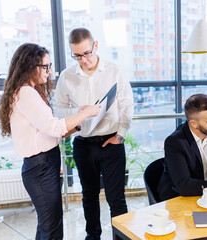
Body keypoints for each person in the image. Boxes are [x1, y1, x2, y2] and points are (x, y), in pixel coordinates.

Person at [0, 43, 101, 240]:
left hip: (41, 165)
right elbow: (54, 127)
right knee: (52, 230)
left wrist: (77, 123)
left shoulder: (26, 91)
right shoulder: (26, 93)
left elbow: (47, 133)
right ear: (30, 66)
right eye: (45, 67)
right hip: (40, 167)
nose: (49, 71)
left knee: (47, 226)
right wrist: (87, 112)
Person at [55, 28, 134, 239]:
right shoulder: (66, 76)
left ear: (95, 45)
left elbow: (127, 104)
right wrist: (79, 113)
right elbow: (58, 109)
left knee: (116, 198)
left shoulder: (115, 70)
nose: (83, 60)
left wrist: (120, 135)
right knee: (88, 196)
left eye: (87, 53)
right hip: (83, 143)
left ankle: (121, 237)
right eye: (77, 55)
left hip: (112, 142)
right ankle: (93, 236)